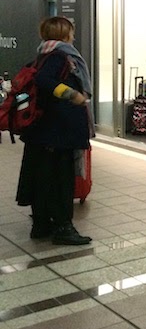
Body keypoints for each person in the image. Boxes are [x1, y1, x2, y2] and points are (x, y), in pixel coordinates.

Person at [16, 16, 93, 245]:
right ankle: (63, 228)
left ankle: (41, 224)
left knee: (42, 178)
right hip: (57, 132)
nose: (73, 37)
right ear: (64, 34)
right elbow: (45, 81)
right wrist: (72, 94)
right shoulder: (61, 56)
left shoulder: (42, 55)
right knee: (61, 180)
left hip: (41, 131)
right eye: (71, 32)